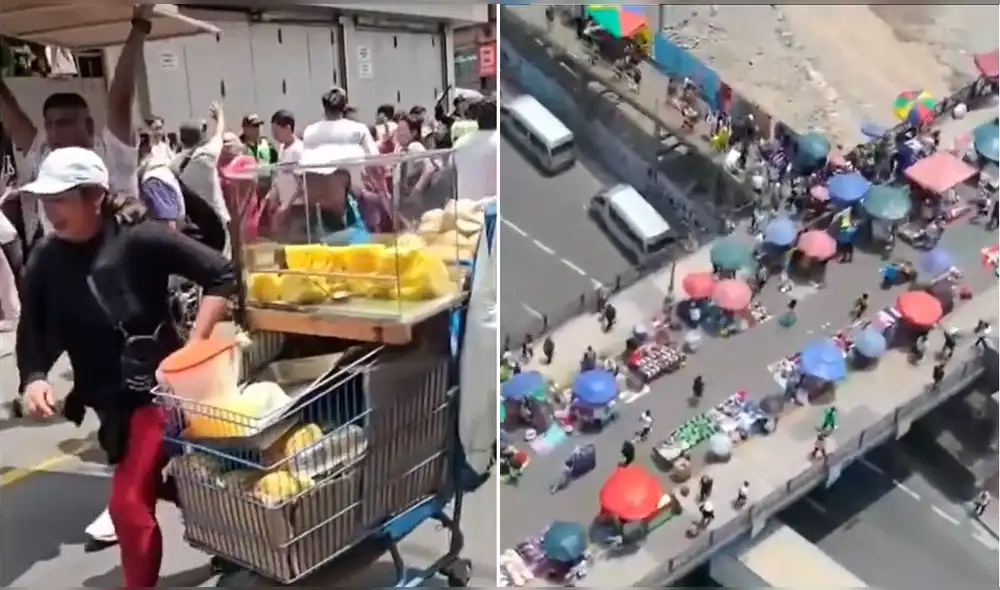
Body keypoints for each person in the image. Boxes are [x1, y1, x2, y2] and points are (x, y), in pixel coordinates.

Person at [15, 147, 237, 588]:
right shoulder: (45, 257)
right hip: (107, 403)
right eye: (46, 199)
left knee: (128, 504)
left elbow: (221, 273)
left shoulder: (141, 239)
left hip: (157, 397)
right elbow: (32, 327)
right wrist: (34, 377)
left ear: (94, 195)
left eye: (61, 198)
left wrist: (192, 348)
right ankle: (234, 528)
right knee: (168, 485)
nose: (50, 210)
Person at [0, 5, 150, 260]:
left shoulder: (111, 153)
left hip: (117, 269)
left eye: (65, 123)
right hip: (64, 275)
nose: (54, 131)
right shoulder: (45, 155)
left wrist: (139, 27)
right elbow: (10, 111)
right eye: (50, 124)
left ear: (89, 127)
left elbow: (120, 99)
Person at [171, 103, 231, 254]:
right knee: (223, 260)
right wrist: (220, 117)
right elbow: (219, 135)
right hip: (215, 220)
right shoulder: (205, 157)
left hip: (193, 223)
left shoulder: (175, 162)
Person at [265, 109, 304, 238]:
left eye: (276, 131)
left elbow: (302, 183)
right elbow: (279, 176)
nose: (274, 135)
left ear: (287, 128)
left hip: (297, 207)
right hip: (283, 206)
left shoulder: (299, 150)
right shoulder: (282, 148)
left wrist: (286, 207)